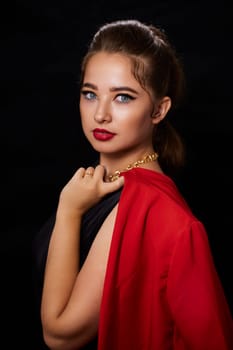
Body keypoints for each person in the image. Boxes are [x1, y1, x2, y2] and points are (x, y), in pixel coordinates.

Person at [32, 19, 233, 350]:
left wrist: (68, 210)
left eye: (123, 97)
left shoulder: (147, 206)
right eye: (89, 94)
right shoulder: (99, 187)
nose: (100, 114)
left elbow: (60, 334)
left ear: (158, 110)